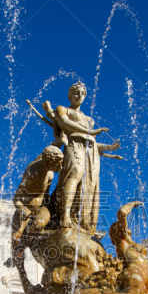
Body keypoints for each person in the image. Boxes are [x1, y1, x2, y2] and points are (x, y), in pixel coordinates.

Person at [51, 81, 122, 235]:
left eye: (83, 94)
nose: (80, 96)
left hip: (90, 152)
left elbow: (93, 142)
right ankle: (65, 216)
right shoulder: (61, 109)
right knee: (75, 173)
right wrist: (90, 132)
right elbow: (65, 123)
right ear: (70, 95)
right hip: (74, 145)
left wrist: (109, 148)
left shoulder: (89, 119)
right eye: (76, 92)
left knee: (89, 185)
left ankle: (83, 223)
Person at [11, 145, 63, 244]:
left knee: (41, 223)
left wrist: (61, 141)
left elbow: (51, 147)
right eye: (57, 163)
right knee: (20, 239)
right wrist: (22, 210)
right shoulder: (32, 174)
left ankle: (32, 242)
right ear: (49, 162)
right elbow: (17, 198)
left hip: (44, 206)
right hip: (29, 209)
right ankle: (25, 242)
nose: (60, 166)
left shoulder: (44, 162)